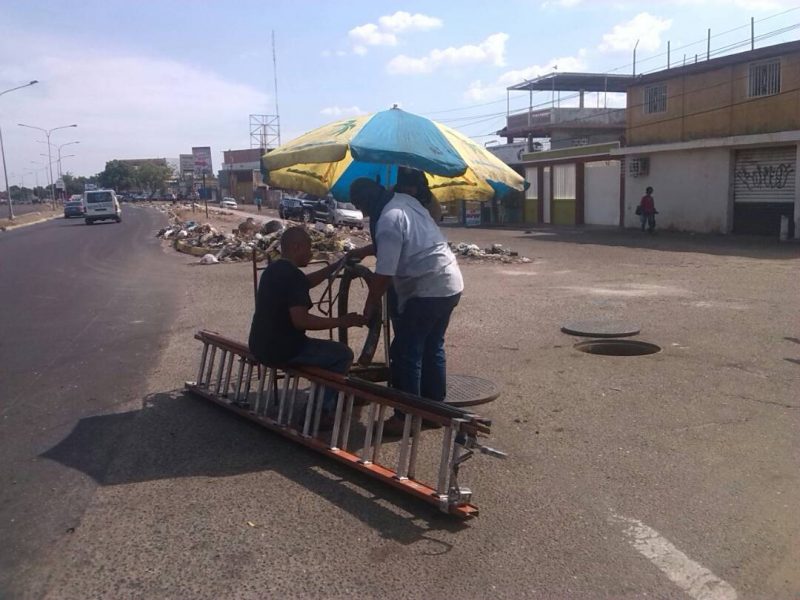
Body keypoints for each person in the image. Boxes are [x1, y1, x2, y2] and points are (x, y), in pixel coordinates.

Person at [354, 168, 464, 435]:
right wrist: (361, 251)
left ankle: (406, 418)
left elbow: (385, 271)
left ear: (367, 201)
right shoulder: (405, 203)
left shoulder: (389, 219)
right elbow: (402, 242)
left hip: (427, 290)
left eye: (360, 207)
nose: (363, 214)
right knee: (431, 345)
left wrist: (369, 305)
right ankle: (434, 412)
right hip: (449, 284)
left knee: (405, 351)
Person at [248, 226, 367, 427]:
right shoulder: (292, 276)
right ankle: (318, 412)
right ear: (296, 247)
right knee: (342, 354)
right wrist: (342, 321)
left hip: (259, 345)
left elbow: (306, 282)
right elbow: (301, 321)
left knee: (329, 352)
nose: (311, 253)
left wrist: (335, 266)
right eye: (309, 248)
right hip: (284, 349)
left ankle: (330, 397)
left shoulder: (274, 269)